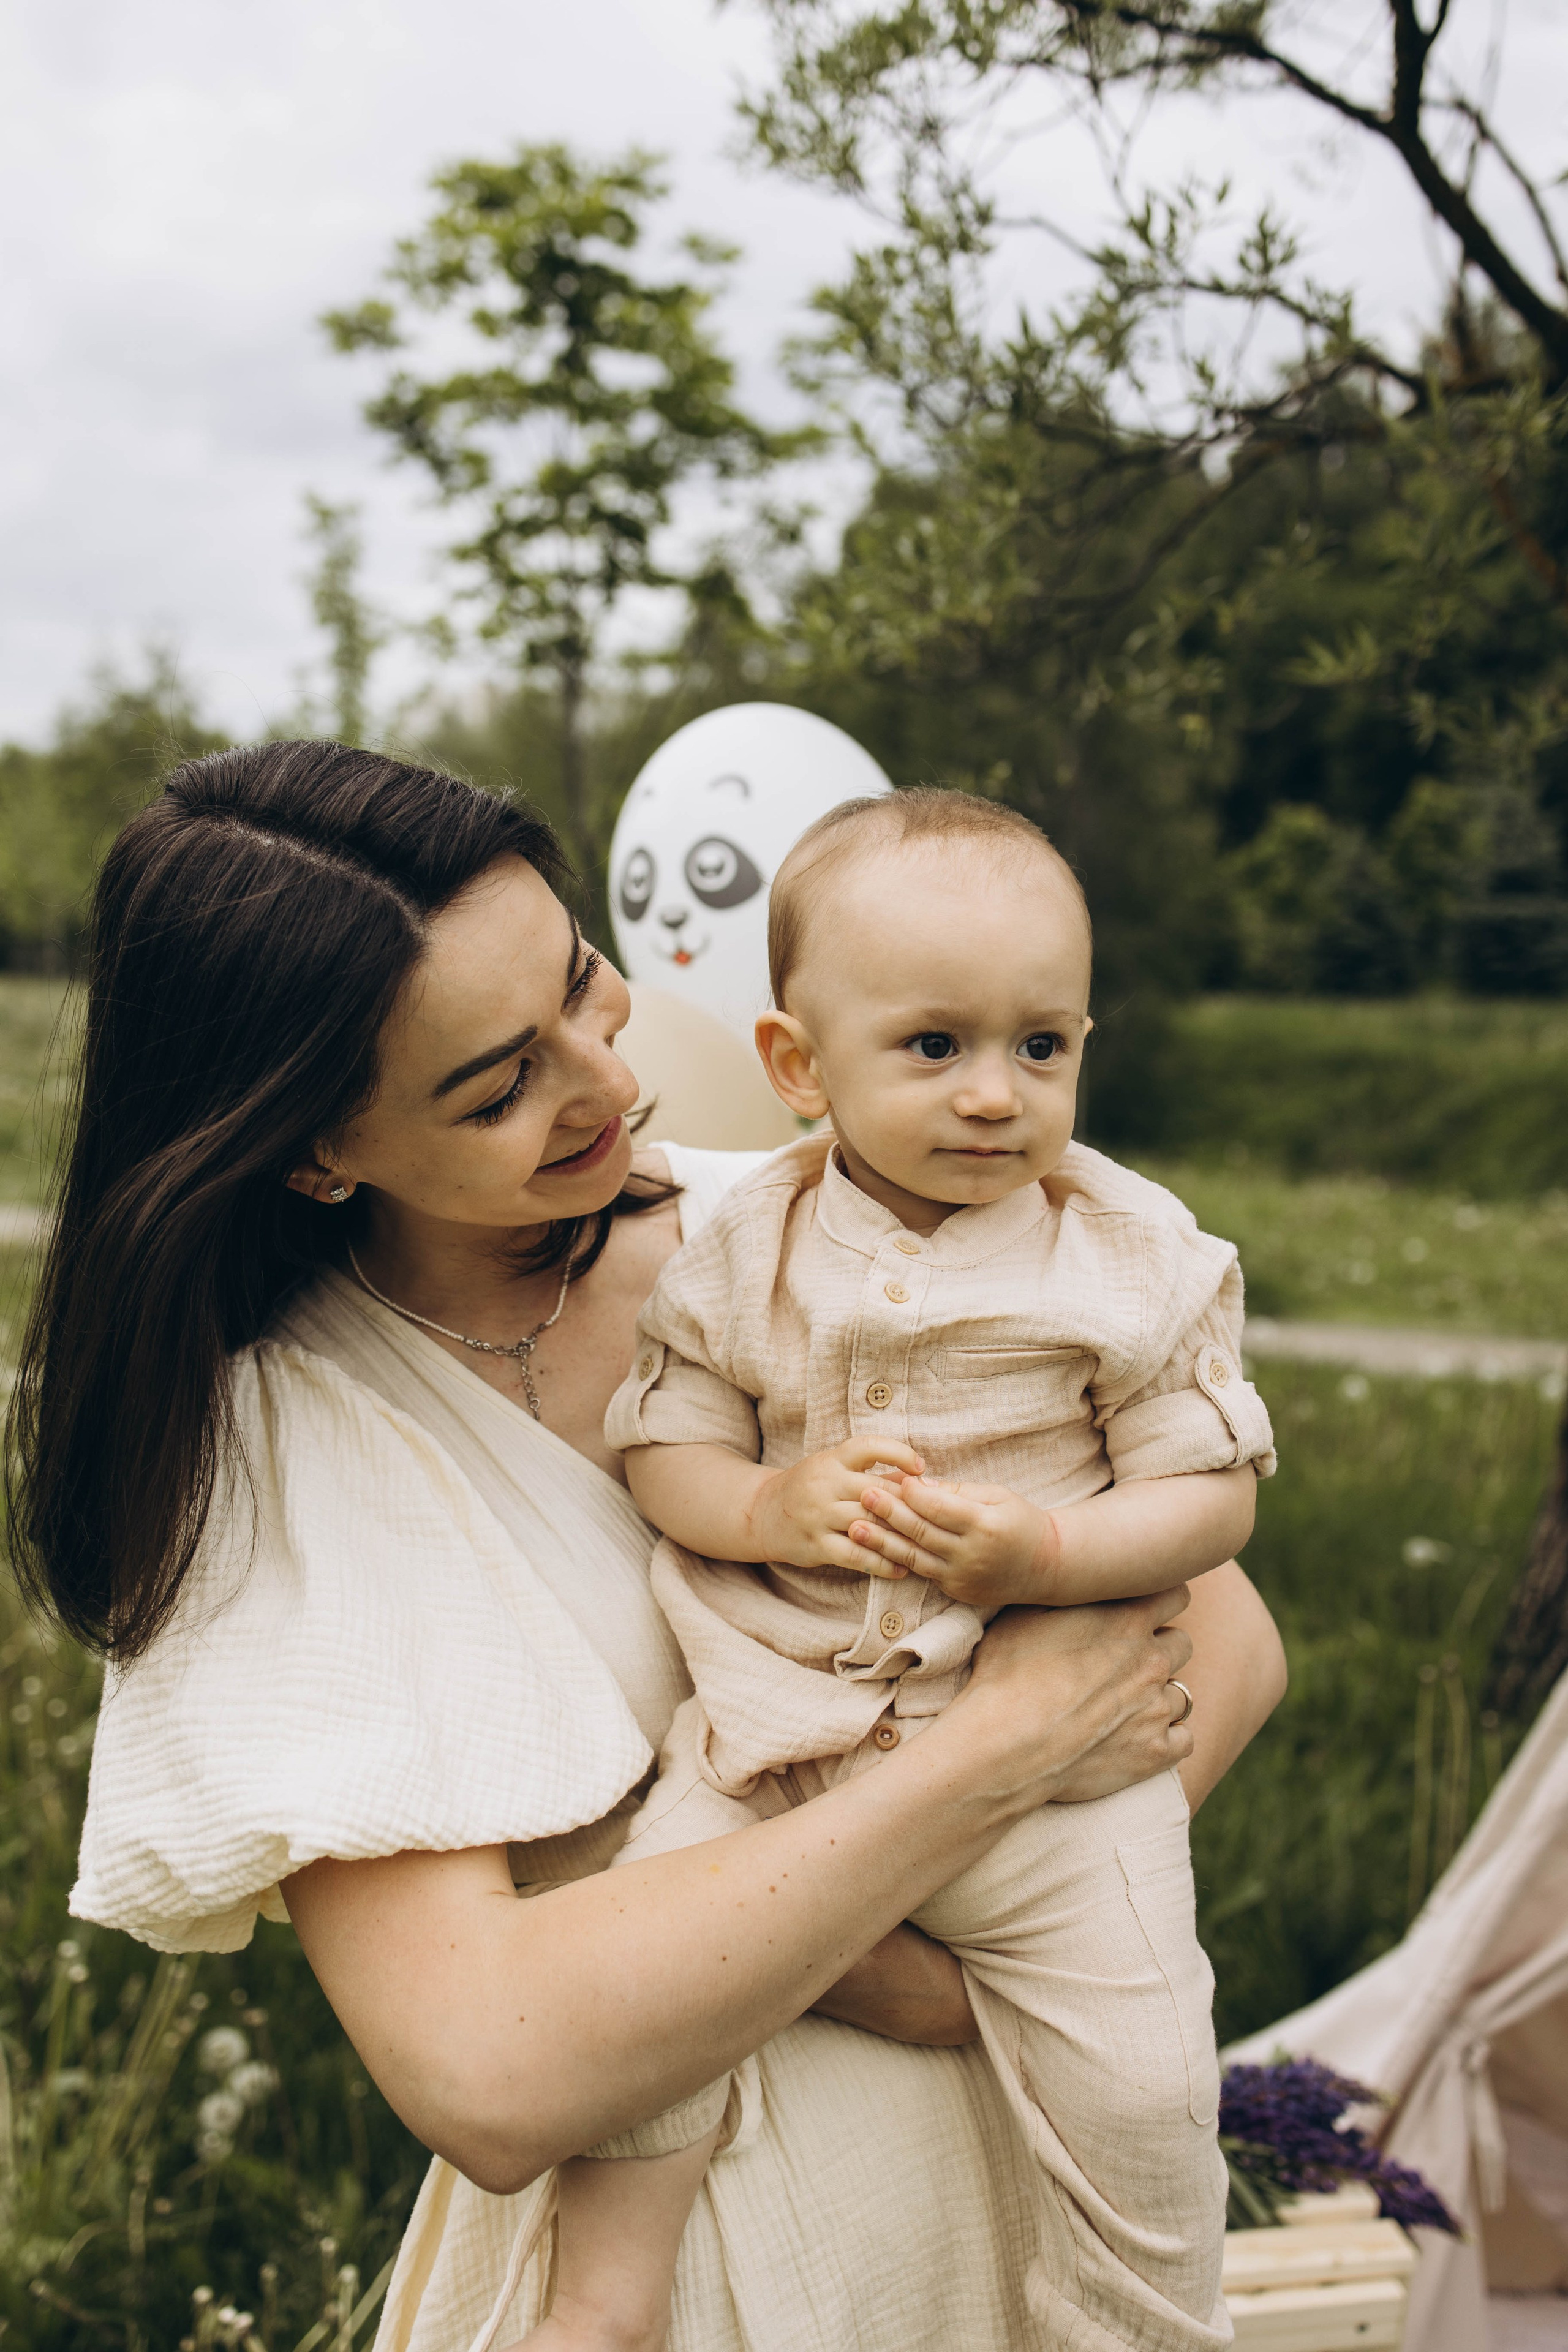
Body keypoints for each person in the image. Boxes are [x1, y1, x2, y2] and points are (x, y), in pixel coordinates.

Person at [6, 743, 1287, 2351]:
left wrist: (992, 1951)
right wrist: (990, 1775)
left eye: (581, 984)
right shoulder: (288, 1449)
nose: (610, 1084)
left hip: (1022, 2212)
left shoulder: (825, 1218)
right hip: (680, 2291)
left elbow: (1218, 1637)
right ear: (314, 1147)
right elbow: (496, 2061)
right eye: (497, 1085)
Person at [537, 790, 1276, 2352]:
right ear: (800, 1067)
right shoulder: (741, 1254)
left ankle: (1138, 2326)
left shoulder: (1126, 1256)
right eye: (933, 1048)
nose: (995, 1096)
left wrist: (1050, 1549)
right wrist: (770, 1507)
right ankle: (598, 2303)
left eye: (1042, 1047)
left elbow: (1209, 1501)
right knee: (637, 1976)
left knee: (1145, 2077)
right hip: (772, 1740)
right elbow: (665, 1452)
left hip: (1060, 1793)